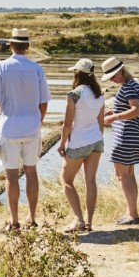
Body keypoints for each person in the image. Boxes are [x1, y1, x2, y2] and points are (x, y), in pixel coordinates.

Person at [0, 28, 51, 232]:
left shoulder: (1, 67)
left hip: (9, 128)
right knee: (31, 172)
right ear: (28, 46)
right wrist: (38, 121)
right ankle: (31, 218)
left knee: (11, 176)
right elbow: (44, 102)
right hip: (31, 128)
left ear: (11, 45)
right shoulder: (37, 69)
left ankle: (14, 222)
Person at [57, 58, 105, 233]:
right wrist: (97, 138)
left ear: (77, 73)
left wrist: (62, 144)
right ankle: (89, 222)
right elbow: (101, 123)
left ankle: (78, 219)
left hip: (78, 143)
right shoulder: (99, 94)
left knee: (66, 180)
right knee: (90, 181)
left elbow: (67, 124)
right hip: (96, 141)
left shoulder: (74, 95)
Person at [100, 56, 139, 225]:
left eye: (113, 75)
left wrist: (115, 116)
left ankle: (132, 215)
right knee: (129, 175)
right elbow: (129, 107)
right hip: (132, 135)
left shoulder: (129, 86)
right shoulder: (131, 84)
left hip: (125, 136)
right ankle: (131, 212)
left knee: (122, 175)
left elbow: (136, 110)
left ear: (120, 70)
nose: (112, 79)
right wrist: (115, 111)